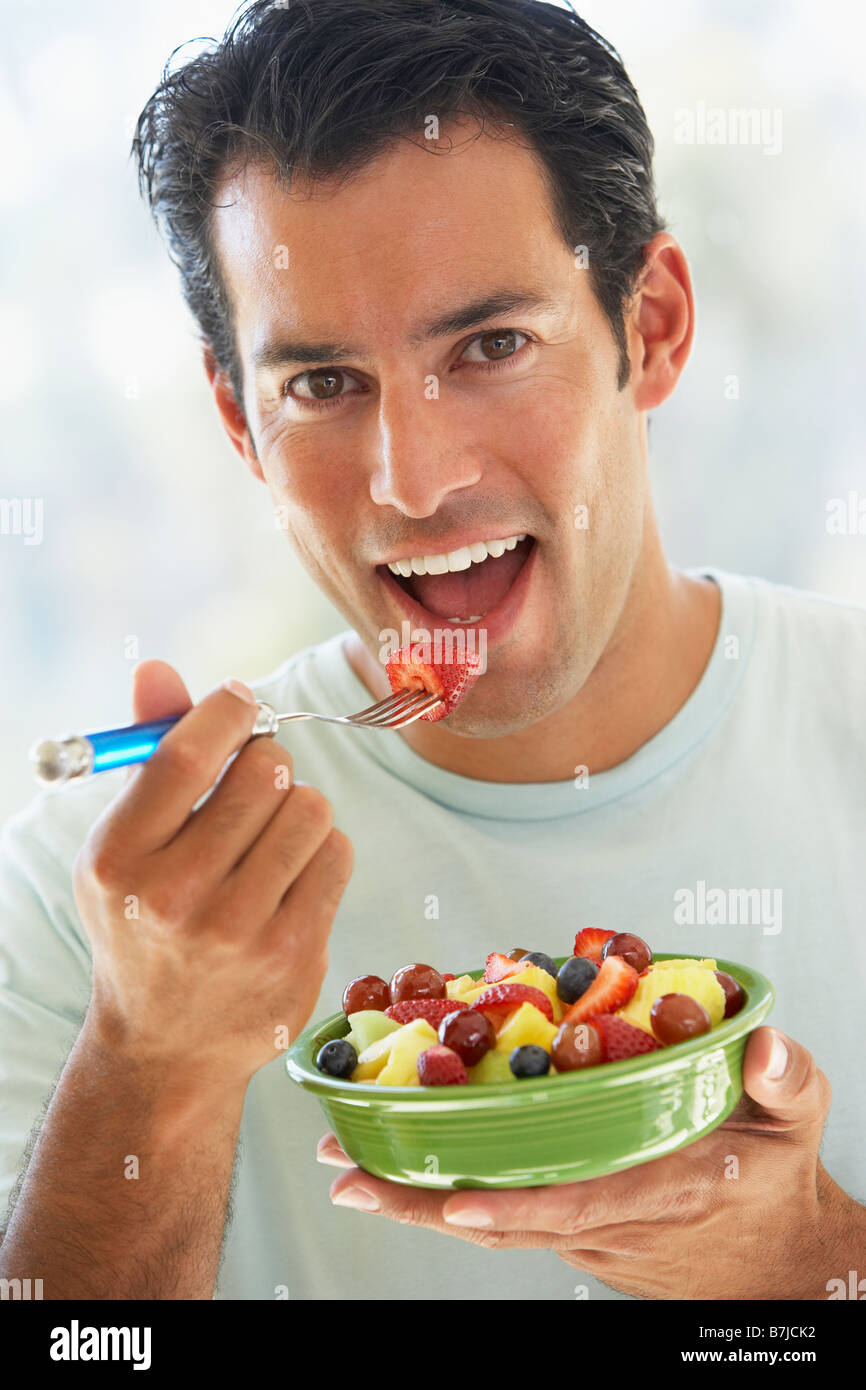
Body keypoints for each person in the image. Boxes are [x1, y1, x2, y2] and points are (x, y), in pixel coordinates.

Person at [1, 0, 864, 1301]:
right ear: (240, 424)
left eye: (492, 346)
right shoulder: (96, 895)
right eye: (323, 384)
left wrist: (809, 1272)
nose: (413, 479)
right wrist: (151, 1066)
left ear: (657, 325)